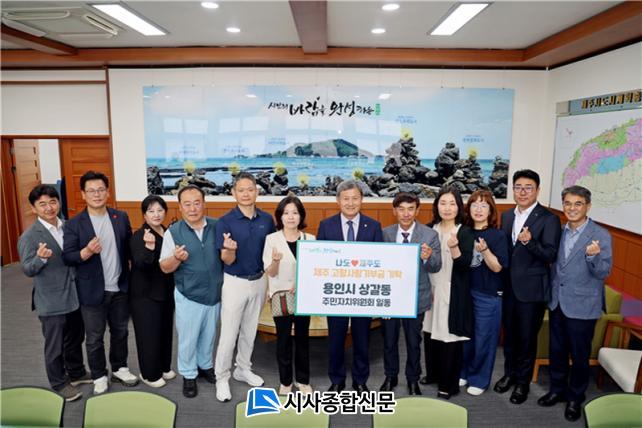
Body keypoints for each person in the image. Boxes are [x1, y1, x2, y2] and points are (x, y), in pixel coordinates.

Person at [538, 186, 612, 422]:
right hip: (558, 302)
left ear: (588, 206)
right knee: (557, 351)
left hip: (583, 305)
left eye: (578, 204)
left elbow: (603, 272)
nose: (572, 208)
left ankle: (575, 398)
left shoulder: (600, 234)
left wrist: (593, 256)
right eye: (567, 203)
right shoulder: (559, 231)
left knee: (579, 355)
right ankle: (557, 390)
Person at [62, 171, 138, 394]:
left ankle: (120, 368)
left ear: (108, 192)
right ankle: (98, 375)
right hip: (92, 290)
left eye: (101, 190)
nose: (97, 194)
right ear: (83, 194)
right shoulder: (74, 224)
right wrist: (86, 252)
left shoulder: (120, 217)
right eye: (91, 191)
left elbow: (129, 249)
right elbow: (68, 256)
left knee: (120, 331)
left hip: (119, 286)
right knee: (94, 337)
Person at [18, 184, 92, 402]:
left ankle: (76, 372)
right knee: (55, 345)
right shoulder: (29, 237)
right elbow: (27, 269)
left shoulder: (68, 226)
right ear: (34, 208)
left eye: (52, 202)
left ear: (59, 203)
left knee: (76, 337)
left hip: (75, 294)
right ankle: (59, 382)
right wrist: (40, 258)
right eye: (42, 204)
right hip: (51, 300)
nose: (49, 208)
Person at [494, 169, 561, 404]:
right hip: (508, 288)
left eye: (528, 188)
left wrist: (530, 242)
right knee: (510, 337)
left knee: (526, 339)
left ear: (537, 190)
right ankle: (509, 374)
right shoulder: (507, 216)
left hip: (532, 291)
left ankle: (522, 383)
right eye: (518, 187)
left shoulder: (549, 219)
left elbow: (550, 254)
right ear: (513, 190)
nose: (522, 192)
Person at [317, 179, 384, 394]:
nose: (350, 203)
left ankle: (360, 380)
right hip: (336, 294)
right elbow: (318, 262)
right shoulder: (326, 226)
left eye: (355, 198)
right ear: (338, 200)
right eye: (346, 199)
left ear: (362, 199)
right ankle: (337, 379)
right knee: (336, 339)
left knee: (362, 339)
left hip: (362, 295)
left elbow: (380, 262)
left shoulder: (373, 226)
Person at [214, 172, 276, 402]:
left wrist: (270, 285)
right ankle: (222, 377)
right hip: (235, 282)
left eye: (250, 189)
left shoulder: (267, 220)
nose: (246, 194)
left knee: (250, 331)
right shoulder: (225, 221)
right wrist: (229, 250)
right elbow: (226, 260)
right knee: (229, 334)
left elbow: (270, 255)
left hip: (259, 281)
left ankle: (243, 369)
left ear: (256, 191)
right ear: (234, 193)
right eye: (241, 190)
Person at [159, 185, 223, 398]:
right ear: (180, 207)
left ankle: (205, 365)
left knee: (209, 335)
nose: (193, 208)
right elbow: (164, 267)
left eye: (197, 203)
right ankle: (188, 374)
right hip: (189, 295)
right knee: (188, 338)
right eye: (187, 204)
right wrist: (176, 258)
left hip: (214, 294)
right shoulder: (173, 232)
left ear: (204, 204)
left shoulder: (217, 226)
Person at [380, 192, 442, 396]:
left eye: (410, 209)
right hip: (389, 298)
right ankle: (390, 376)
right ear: (394, 211)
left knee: (413, 342)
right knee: (389, 341)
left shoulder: (429, 235)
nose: (406, 214)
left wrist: (428, 257)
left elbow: (436, 266)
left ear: (417, 211)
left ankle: (413, 379)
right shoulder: (385, 234)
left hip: (416, 297)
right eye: (401, 209)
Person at [422, 186, 474, 399]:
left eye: (452, 203)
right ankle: (433, 374)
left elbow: (465, 265)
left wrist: (454, 248)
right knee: (429, 333)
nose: (447, 208)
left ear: (459, 207)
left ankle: (448, 384)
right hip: (430, 288)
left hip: (452, 290)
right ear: (436, 206)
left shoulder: (465, 231)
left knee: (449, 338)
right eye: (443, 203)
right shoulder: (428, 229)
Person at [262, 195, 315, 395]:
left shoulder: (310, 239)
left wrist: (301, 283)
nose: (291, 217)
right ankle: (285, 381)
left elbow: (314, 270)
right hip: (281, 297)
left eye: (295, 213)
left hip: (303, 296)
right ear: (280, 216)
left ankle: (303, 380)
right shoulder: (271, 239)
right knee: (283, 340)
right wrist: (275, 261)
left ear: (301, 216)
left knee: (302, 339)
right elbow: (271, 272)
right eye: (286, 213)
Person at [460, 189, 509, 396]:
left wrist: (485, 251)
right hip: (465, 293)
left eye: (483, 205)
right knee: (464, 337)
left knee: (484, 339)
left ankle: (479, 379)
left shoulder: (498, 235)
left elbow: (497, 268)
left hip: (488, 295)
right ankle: (463, 371)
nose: (478, 209)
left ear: (490, 211)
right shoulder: (463, 232)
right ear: (468, 209)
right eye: (474, 205)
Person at [129, 195, 176, 388]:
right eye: (151, 211)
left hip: (166, 290)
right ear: (144, 215)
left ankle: (164, 366)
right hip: (145, 294)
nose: (156, 214)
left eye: (160, 210)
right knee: (149, 335)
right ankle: (149, 374)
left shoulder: (167, 232)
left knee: (165, 331)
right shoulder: (139, 236)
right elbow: (141, 263)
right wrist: (149, 247)